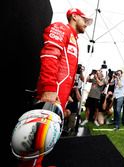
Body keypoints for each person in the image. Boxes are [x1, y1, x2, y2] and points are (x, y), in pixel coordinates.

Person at [19, 8, 92, 167]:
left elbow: (65, 70)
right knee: (37, 137)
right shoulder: (60, 28)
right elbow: (50, 55)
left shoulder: (74, 39)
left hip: (60, 95)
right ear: (74, 16)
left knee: (47, 136)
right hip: (51, 93)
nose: (87, 24)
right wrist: (49, 88)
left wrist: (68, 94)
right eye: (84, 20)